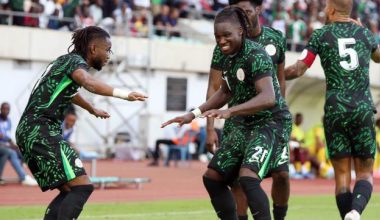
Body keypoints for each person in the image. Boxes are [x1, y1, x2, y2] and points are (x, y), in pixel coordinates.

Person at [162, 6, 290, 220]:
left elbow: (268, 97)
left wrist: (231, 111)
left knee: (249, 178)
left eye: (226, 35)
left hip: (270, 123)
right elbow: (225, 91)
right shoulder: (229, 57)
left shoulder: (255, 54)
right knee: (212, 177)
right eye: (217, 36)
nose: (221, 40)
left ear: (241, 31)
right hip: (245, 123)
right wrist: (192, 114)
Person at [15, 26, 147, 220]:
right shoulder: (77, 64)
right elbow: (88, 82)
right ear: (94, 49)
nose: (109, 55)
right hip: (41, 130)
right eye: (107, 49)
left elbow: (70, 92)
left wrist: (91, 109)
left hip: (30, 130)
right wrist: (124, 94)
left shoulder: (64, 61)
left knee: (70, 190)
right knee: (83, 186)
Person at [284, 0, 380, 219]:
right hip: (363, 109)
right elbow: (379, 57)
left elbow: (299, 69)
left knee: (342, 178)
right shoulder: (365, 34)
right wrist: (364, 30)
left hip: (335, 110)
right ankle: (356, 212)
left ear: (330, 10)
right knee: (365, 174)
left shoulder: (321, 35)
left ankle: (348, 215)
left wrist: (271, 74)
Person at [206, 1, 291, 219]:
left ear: (258, 10)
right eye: (238, 12)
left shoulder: (275, 39)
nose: (242, 15)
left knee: (281, 174)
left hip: (270, 120)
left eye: (247, 11)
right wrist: (209, 128)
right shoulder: (225, 44)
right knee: (237, 179)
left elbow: (280, 82)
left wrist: (280, 120)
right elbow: (217, 87)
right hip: (238, 120)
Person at [0, 102, 38, 186]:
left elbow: (7, 136)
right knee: (10, 152)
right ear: (0, 109)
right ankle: (24, 177)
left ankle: (31, 176)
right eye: (4, 109)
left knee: (20, 149)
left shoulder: (9, 121)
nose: (5, 111)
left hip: (5, 145)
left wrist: (14, 144)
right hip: (2, 146)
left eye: (7, 109)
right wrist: (9, 145)